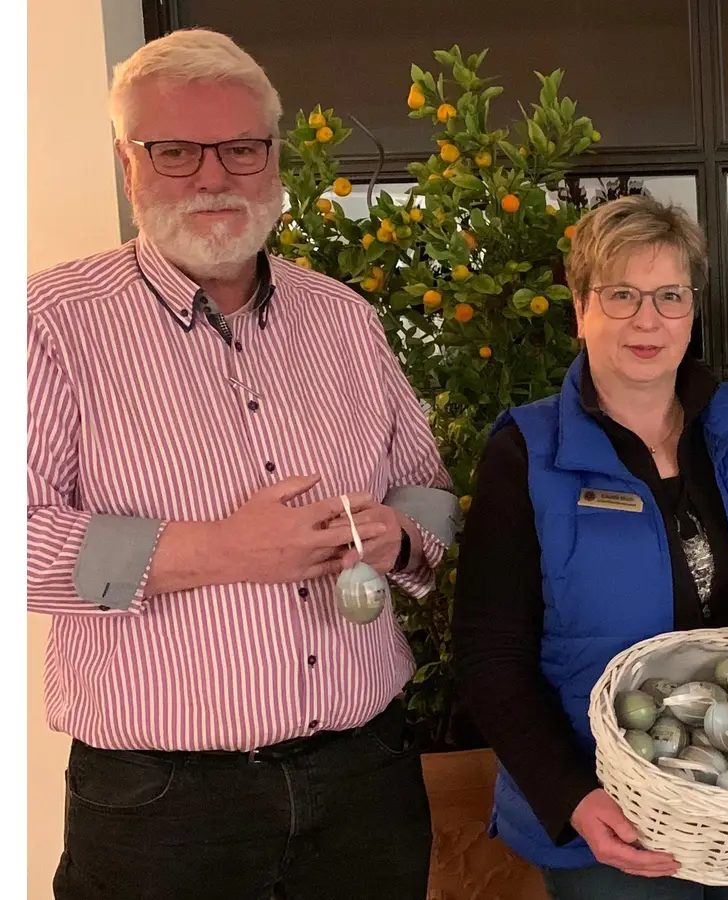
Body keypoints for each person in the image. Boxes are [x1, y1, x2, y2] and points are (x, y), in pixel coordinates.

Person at [27, 28, 459, 900]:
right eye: (177, 151)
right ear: (129, 163)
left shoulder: (343, 318)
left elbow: (429, 489)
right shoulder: (49, 323)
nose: (214, 177)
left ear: (273, 157)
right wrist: (223, 551)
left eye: (241, 149)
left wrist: (402, 535)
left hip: (363, 778)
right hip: (160, 807)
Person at [452, 194, 728, 900]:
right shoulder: (527, 454)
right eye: (622, 295)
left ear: (693, 312)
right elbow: (489, 654)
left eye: (669, 295)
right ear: (580, 309)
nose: (648, 319)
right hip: (609, 817)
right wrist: (571, 795)